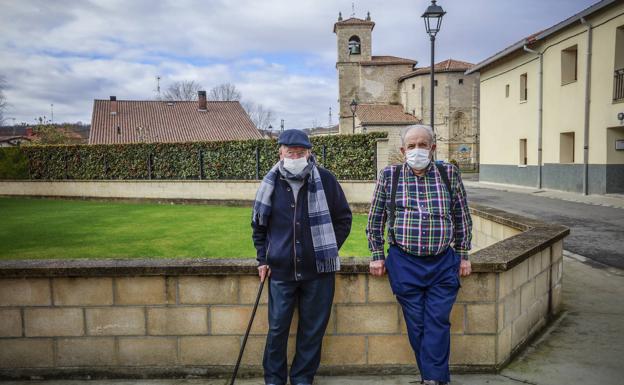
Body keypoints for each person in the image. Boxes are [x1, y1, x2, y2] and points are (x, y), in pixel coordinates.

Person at [366, 124, 473, 385]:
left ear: (433, 148)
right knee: (417, 324)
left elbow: (462, 215)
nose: (417, 150)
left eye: (423, 145)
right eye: (411, 146)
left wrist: (463, 254)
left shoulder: (449, 174)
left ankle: (433, 380)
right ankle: (434, 378)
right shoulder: (389, 176)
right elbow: (375, 218)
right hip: (404, 262)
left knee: (438, 321)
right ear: (403, 150)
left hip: (443, 262)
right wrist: (377, 254)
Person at [252, 129, 352, 385]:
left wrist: (326, 249)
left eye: (300, 152)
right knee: (277, 331)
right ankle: (274, 380)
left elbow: (343, 219)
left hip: (319, 273)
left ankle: (302, 379)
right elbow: (259, 227)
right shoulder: (270, 182)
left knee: (312, 332)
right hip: (281, 272)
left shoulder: (326, 180)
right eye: (290, 152)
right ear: (281, 152)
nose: (295, 156)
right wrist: (262, 259)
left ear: (309, 153)